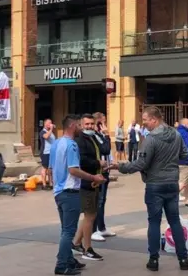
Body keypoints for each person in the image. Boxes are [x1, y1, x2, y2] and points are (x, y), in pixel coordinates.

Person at [110, 107, 188, 271]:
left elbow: (141, 164)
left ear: (154, 119)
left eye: (145, 119)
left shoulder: (151, 139)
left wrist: (121, 167)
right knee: (174, 221)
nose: (143, 123)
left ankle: (154, 260)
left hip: (155, 184)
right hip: (172, 183)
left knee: (154, 222)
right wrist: (170, 161)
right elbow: (184, 154)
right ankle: (183, 259)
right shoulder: (176, 134)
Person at [50, 115, 105, 275]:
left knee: (65, 229)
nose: (82, 128)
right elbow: (73, 169)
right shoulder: (71, 145)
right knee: (69, 231)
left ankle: (68, 259)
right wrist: (93, 177)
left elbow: (51, 167)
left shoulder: (56, 143)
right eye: (80, 125)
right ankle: (62, 264)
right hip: (70, 191)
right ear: (73, 125)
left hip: (58, 191)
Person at [71, 114, 105, 261]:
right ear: (81, 125)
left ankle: (76, 243)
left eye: (92, 124)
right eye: (87, 124)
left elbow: (105, 149)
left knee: (90, 215)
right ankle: (87, 249)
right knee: (90, 216)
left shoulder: (92, 138)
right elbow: (83, 161)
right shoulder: (80, 140)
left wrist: (105, 134)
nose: (90, 127)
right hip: (86, 182)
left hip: (95, 180)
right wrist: (98, 164)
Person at [91, 112, 117, 242]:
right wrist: (107, 134)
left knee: (102, 200)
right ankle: (93, 229)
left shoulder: (100, 135)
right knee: (98, 201)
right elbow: (105, 149)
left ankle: (101, 227)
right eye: (103, 122)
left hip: (105, 170)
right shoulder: (95, 136)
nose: (105, 125)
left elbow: (108, 151)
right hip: (98, 171)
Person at [40, 119, 56, 191]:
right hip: (45, 152)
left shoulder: (51, 132)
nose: (50, 124)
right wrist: (51, 129)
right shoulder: (43, 131)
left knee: (50, 169)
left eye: (51, 123)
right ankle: (44, 184)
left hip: (52, 152)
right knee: (45, 168)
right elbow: (46, 137)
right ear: (45, 124)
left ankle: (50, 183)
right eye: (49, 123)